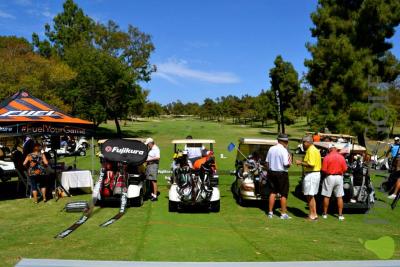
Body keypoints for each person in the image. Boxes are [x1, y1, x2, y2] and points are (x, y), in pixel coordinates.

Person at [265, 133, 292, 219]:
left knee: (273, 192)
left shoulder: (271, 148)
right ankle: (283, 214)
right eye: (286, 141)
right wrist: (289, 164)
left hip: (271, 172)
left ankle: (270, 212)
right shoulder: (284, 150)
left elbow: (267, 162)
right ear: (284, 141)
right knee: (283, 194)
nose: (287, 143)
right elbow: (286, 164)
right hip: (281, 173)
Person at [296, 136, 321, 221]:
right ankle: (314, 214)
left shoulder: (311, 150)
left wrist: (300, 162)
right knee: (310, 195)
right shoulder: (314, 149)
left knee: (309, 195)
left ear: (308, 142)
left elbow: (311, 164)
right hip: (314, 174)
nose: (303, 144)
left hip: (312, 174)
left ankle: (312, 215)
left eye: (303, 142)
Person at [321, 143, 348, 221]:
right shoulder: (341, 157)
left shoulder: (327, 157)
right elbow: (345, 169)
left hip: (329, 177)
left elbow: (324, 170)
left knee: (327, 196)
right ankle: (340, 215)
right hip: (339, 177)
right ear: (335, 148)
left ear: (330, 149)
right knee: (339, 196)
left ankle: (325, 214)